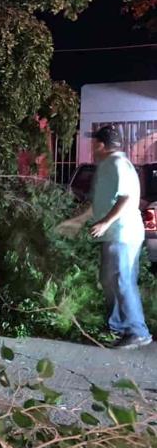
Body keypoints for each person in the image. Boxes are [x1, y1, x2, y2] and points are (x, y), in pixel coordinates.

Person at [57, 125, 152, 349]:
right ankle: (117, 326)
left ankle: (138, 332)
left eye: (93, 144)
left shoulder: (117, 164)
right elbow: (99, 203)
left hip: (123, 233)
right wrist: (77, 221)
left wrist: (106, 222)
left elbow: (127, 198)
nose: (92, 148)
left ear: (100, 144)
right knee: (109, 280)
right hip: (116, 233)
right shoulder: (107, 166)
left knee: (121, 280)